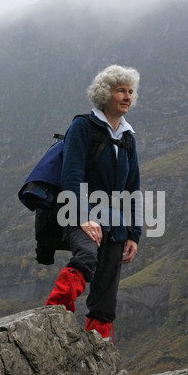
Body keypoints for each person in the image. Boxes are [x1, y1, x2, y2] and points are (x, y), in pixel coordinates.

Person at [45, 64, 142, 340]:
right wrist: (84, 216)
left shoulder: (127, 139)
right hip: (78, 213)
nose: (127, 97)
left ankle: (98, 344)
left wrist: (134, 234)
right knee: (87, 256)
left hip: (116, 223)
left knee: (106, 292)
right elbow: (71, 176)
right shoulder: (82, 127)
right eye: (120, 90)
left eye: (130, 92)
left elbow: (133, 188)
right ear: (104, 94)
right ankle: (53, 317)